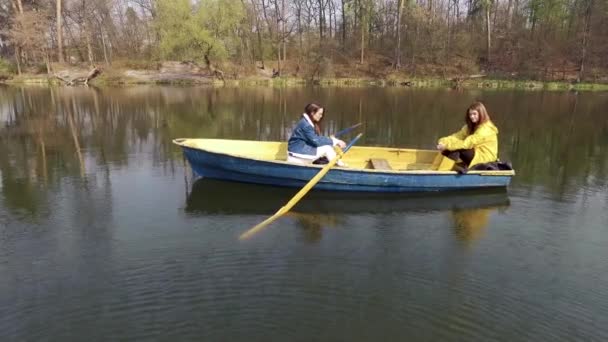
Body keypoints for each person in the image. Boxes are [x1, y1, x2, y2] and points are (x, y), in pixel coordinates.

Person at [437, 101, 499, 172]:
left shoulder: (485, 129)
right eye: (470, 114)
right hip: (475, 152)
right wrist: (443, 141)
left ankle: (444, 172)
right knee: (451, 147)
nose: (472, 116)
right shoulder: (470, 126)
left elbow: (467, 144)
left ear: (481, 114)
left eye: (474, 114)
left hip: (485, 157)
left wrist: (446, 146)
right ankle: (441, 169)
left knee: (456, 148)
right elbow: (457, 136)